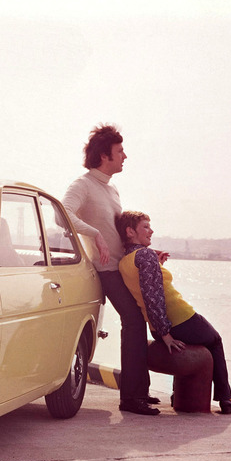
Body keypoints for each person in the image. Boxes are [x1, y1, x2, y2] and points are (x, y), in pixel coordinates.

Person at [63, 124, 158, 415]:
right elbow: (62, 214)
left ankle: (139, 391)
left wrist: (144, 252)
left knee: (139, 320)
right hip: (106, 270)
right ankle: (130, 398)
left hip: (123, 266)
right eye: (120, 151)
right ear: (104, 156)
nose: (125, 156)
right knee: (134, 320)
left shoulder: (111, 187)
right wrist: (94, 234)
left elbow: (118, 232)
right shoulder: (83, 185)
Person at [115, 211, 231, 414]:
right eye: (145, 227)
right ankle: (226, 398)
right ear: (130, 232)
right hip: (180, 319)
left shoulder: (125, 261)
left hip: (157, 325)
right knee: (215, 340)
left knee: (192, 345)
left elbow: (146, 288)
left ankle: (178, 394)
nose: (151, 231)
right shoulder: (146, 255)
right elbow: (153, 297)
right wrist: (166, 334)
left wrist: (158, 266)